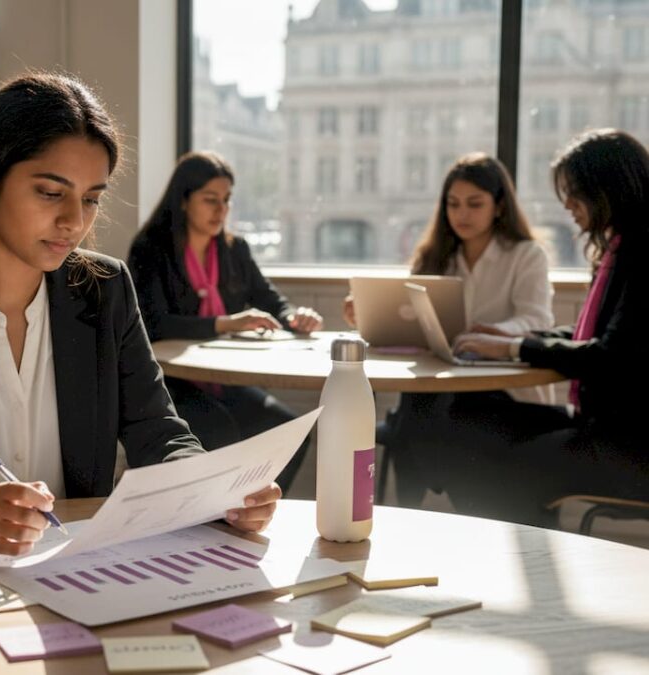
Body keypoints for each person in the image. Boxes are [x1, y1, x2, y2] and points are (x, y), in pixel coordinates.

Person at [0, 73, 281, 557]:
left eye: (91, 198)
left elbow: (158, 431)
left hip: (69, 567)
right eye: (49, 192)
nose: (74, 221)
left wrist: (216, 489)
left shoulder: (106, 290)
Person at [441, 129, 649, 527]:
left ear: (609, 189)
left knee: (507, 465)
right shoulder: (622, 247)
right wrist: (519, 339)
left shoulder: (640, 254)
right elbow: (596, 335)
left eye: (575, 192)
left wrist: (515, 348)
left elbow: (609, 356)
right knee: (471, 417)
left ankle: (529, 559)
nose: (567, 204)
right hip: (605, 426)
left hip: (629, 446)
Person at [342, 153, 555, 506]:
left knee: (418, 422)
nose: (462, 214)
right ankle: (427, 504)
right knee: (419, 406)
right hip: (442, 388)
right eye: (453, 204)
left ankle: (416, 504)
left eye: (475, 204)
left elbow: (537, 321)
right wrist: (366, 316)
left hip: (500, 390)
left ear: (500, 206)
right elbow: (408, 322)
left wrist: (490, 335)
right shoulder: (435, 256)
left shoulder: (527, 255)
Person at [127, 151, 322, 493]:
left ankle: (256, 509)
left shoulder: (235, 250)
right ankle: (222, 514)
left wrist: (294, 317)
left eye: (227, 200)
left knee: (290, 432)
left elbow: (270, 299)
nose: (222, 210)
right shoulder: (151, 250)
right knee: (221, 432)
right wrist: (225, 324)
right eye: (210, 199)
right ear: (184, 200)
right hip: (171, 383)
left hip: (224, 381)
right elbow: (152, 324)